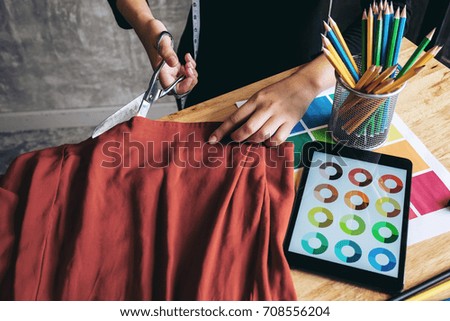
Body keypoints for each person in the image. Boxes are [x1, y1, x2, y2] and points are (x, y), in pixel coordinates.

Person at [107, 0, 409, 146]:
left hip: (325, 79)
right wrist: (147, 26)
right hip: (214, 69)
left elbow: (389, 12)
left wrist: (307, 83)